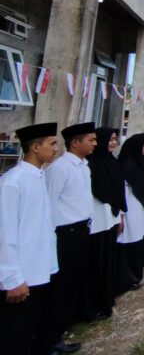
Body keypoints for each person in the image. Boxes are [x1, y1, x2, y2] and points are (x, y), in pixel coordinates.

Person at [0, 123, 59, 355]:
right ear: (35, 147)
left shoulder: (39, 176)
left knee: (29, 332)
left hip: (39, 270)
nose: (56, 149)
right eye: (51, 144)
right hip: (20, 278)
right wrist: (12, 277)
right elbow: (5, 231)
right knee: (13, 336)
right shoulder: (13, 181)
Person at [42, 122, 97, 355]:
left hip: (81, 230)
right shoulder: (60, 168)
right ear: (75, 143)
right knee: (60, 286)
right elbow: (49, 204)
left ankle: (62, 328)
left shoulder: (83, 166)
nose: (95, 143)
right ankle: (50, 339)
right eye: (90, 140)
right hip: (64, 234)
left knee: (73, 281)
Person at [84, 127, 126, 321]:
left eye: (115, 139)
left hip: (111, 218)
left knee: (108, 260)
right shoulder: (90, 164)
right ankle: (94, 304)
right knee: (95, 263)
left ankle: (107, 299)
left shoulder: (113, 162)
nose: (113, 143)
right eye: (109, 139)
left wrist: (120, 216)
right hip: (96, 221)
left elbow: (118, 192)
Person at [116, 134, 144, 295]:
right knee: (128, 242)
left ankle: (135, 275)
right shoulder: (127, 165)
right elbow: (121, 192)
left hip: (139, 209)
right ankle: (127, 279)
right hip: (129, 210)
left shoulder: (140, 162)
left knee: (137, 241)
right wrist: (122, 214)